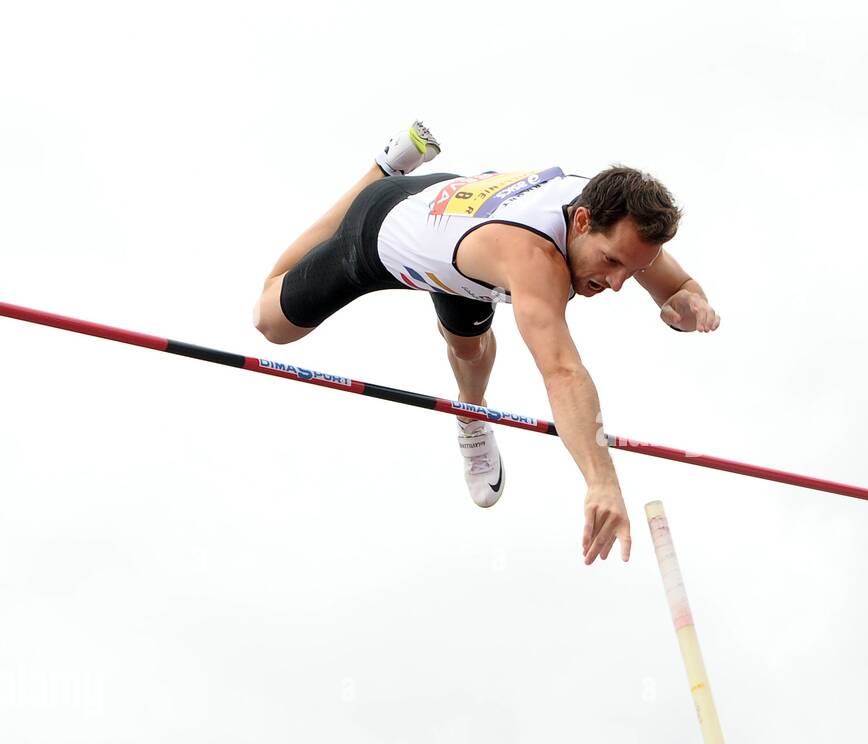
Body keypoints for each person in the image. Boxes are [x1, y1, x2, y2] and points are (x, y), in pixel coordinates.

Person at [253, 120, 721, 565]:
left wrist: (688, 306)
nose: (617, 284)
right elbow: (562, 371)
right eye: (612, 262)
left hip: (457, 240)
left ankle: (470, 415)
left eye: (632, 269)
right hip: (384, 229)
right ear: (582, 220)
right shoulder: (532, 258)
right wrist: (602, 483)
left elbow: (678, 287)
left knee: (468, 349)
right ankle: (380, 171)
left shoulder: (614, 216)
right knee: (272, 322)